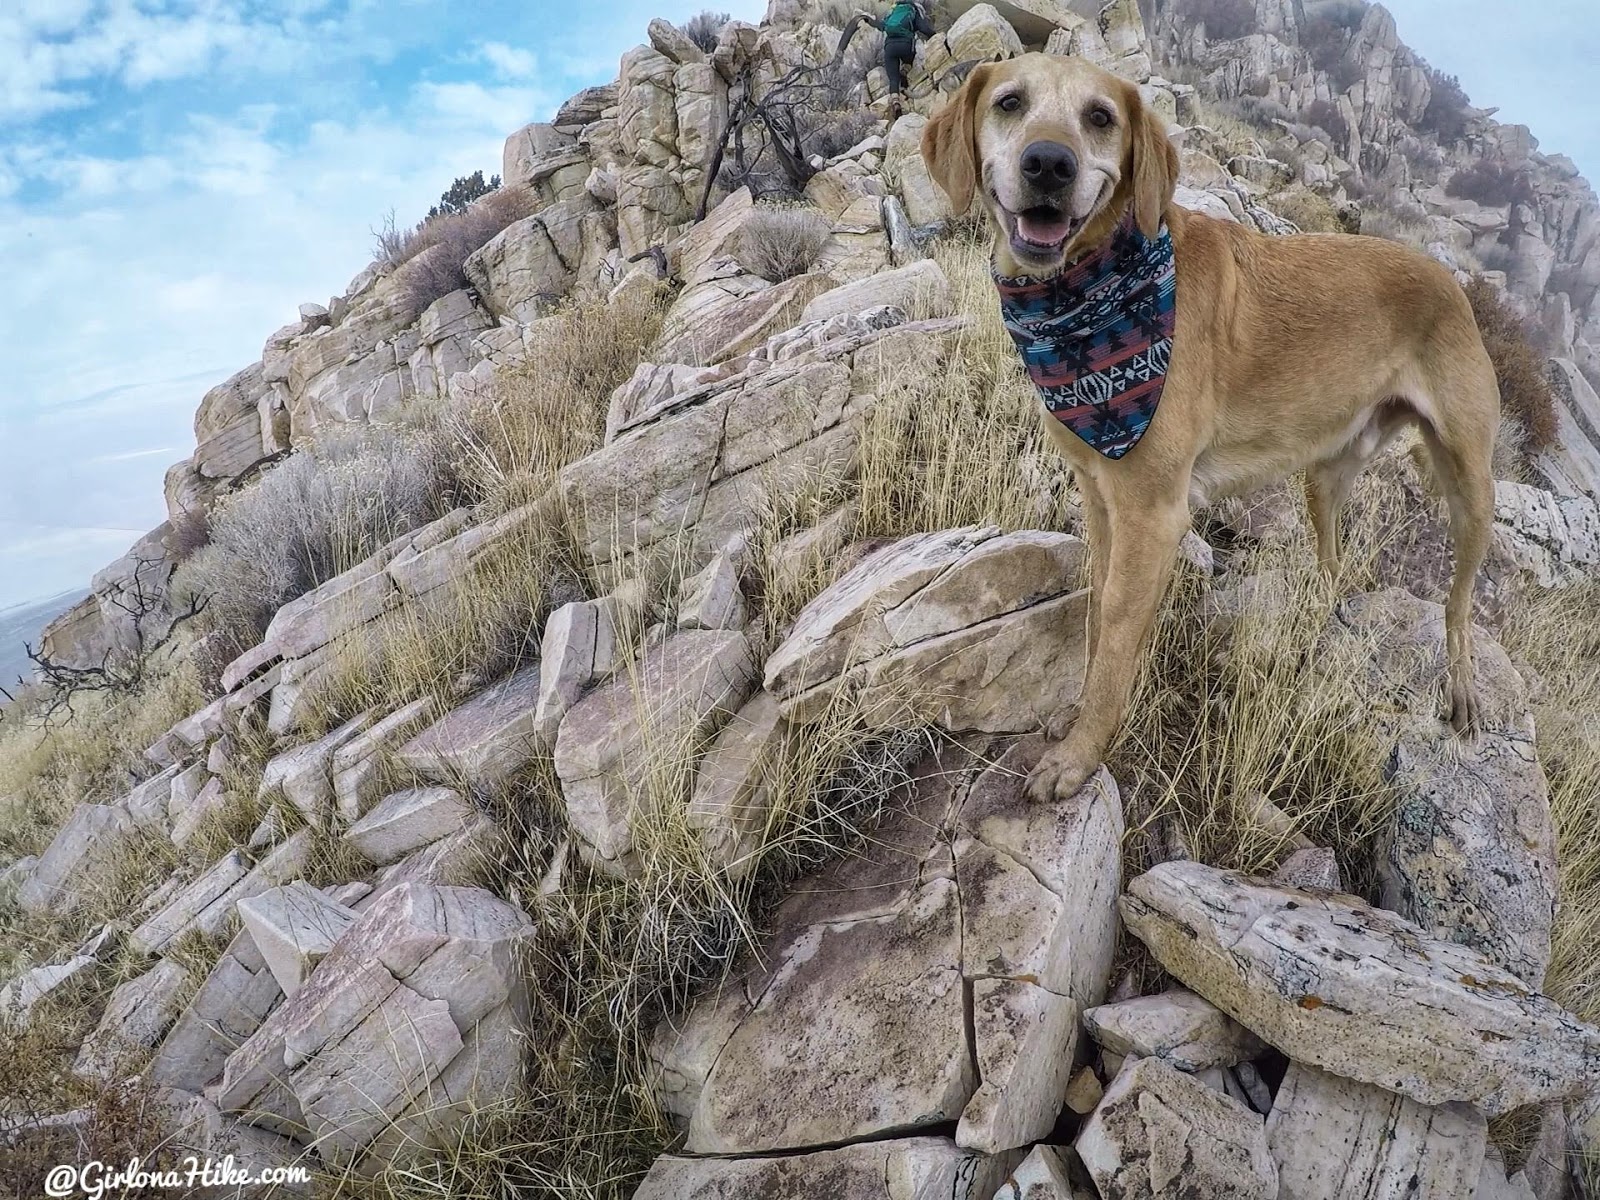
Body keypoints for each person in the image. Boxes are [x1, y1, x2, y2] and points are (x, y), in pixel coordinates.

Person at [881, 0, 933, 106]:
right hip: (906, 46)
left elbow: (881, 26)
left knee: (893, 78)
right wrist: (934, 36)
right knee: (908, 62)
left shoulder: (892, 11)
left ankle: (896, 101)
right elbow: (924, 28)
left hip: (890, 47)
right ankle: (905, 80)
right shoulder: (913, 10)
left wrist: (868, 20)